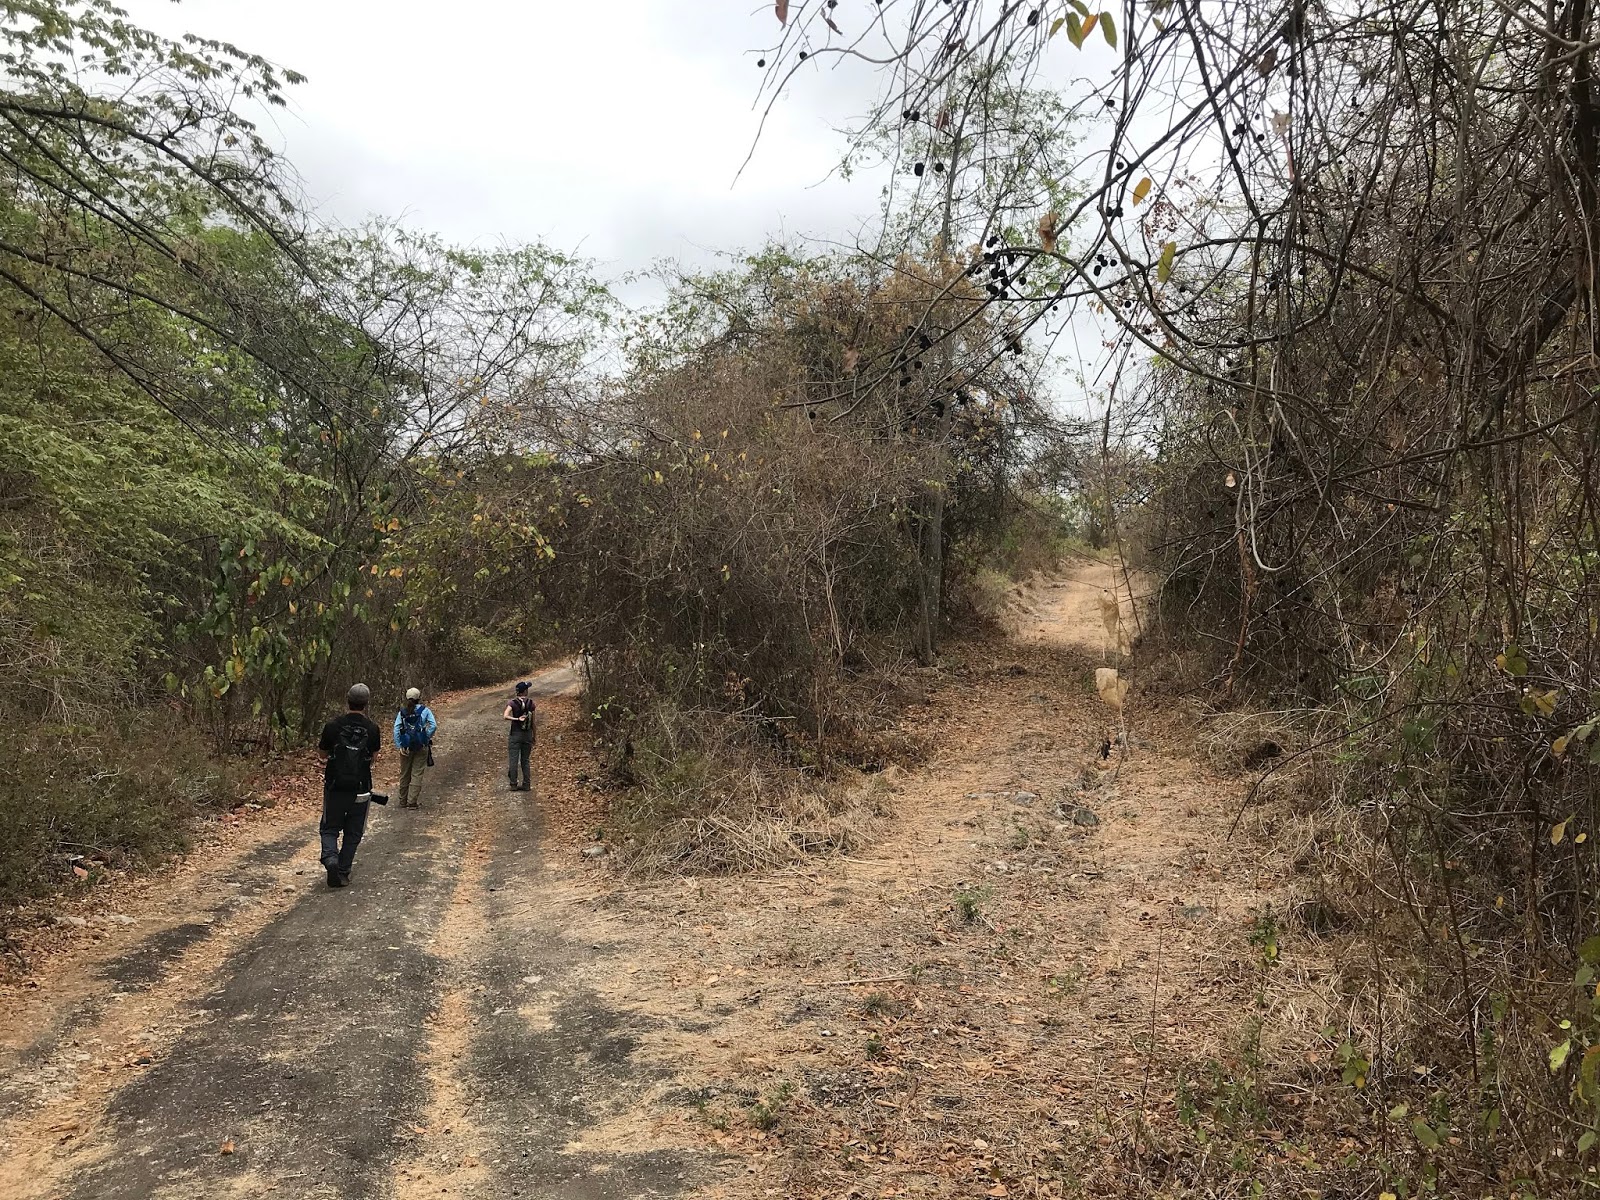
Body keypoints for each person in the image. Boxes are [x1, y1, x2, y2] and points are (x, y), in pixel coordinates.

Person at [317, 683, 382, 888]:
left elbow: (322, 754)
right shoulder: (372, 729)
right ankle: (343, 871)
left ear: (347, 699)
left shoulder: (333, 726)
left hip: (335, 787)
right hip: (361, 788)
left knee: (329, 828)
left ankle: (330, 859)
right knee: (354, 832)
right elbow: (373, 758)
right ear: (366, 703)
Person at [393, 687, 438, 809]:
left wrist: (400, 745)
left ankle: (402, 801)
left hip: (406, 747)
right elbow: (433, 726)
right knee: (417, 773)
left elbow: (397, 729)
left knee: (405, 773)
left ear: (407, 698)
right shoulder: (425, 710)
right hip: (421, 746)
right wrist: (425, 737)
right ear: (419, 698)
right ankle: (412, 802)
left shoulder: (402, 712)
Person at [504, 680, 535, 792]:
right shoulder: (531, 703)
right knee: (525, 760)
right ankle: (526, 784)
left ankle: (513, 784)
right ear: (525, 691)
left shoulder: (512, 703)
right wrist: (534, 736)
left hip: (515, 734)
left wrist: (516, 719)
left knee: (513, 759)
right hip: (527, 734)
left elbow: (505, 716)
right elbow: (533, 722)